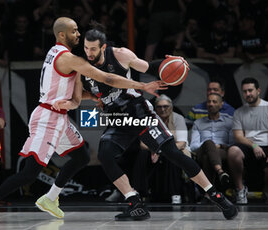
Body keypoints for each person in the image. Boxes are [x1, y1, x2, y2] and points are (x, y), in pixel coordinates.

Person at [0, 17, 165, 223]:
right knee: (30, 172)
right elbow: (107, 78)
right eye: (74, 31)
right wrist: (142, 86)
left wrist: (93, 98)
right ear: (61, 35)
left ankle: (51, 198)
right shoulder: (69, 59)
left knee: (81, 156)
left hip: (59, 117)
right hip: (48, 118)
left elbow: (78, 93)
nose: (79, 34)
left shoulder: (55, 53)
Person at [56, 24, 238, 221]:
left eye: (93, 49)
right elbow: (83, 94)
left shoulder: (120, 54)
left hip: (137, 111)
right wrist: (81, 99)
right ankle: (134, 202)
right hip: (117, 118)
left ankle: (215, 194)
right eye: (85, 48)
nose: (88, 53)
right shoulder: (82, 66)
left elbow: (147, 66)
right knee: (105, 155)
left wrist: (169, 64)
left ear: (103, 47)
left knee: (172, 154)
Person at [227, 77, 268, 204]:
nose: (247, 94)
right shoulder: (239, 112)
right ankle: (240, 190)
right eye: (245, 91)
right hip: (248, 146)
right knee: (233, 151)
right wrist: (253, 145)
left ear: (258, 91)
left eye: (250, 90)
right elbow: (238, 136)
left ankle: (267, 192)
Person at [134, 94, 192, 204]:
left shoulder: (178, 118)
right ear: (155, 108)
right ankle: (140, 192)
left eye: (165, 106)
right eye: (159, 107)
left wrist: (160, 150)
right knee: (141, 154)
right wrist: (155, 149)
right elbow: (142, 144)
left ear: (171, 107)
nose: (163, 109)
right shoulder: (150, 119)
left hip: (175, 149)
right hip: (155, 151)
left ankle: (176, 194)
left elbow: (182, 143)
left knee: (173, 154)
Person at [190, 93, 233, 187]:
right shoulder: (198, 123)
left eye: (214, 101)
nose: (211, 104)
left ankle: (208, 194)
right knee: (209, 143)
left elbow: (233, 144)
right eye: (209, 101)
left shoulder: (229, 122)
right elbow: (193, 146)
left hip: (222, 151)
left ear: (221, 104)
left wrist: (220, 146)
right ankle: (220, 172)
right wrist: (209, 146)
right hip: (201, 151)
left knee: (207, 157)